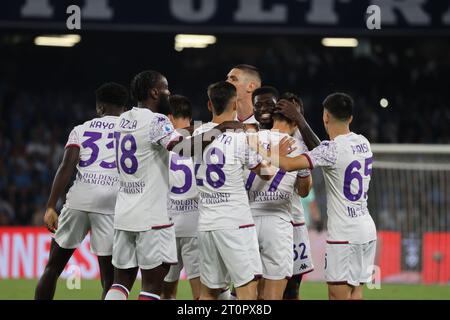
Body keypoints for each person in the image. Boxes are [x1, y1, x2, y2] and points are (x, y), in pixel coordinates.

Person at [254, 92, 377, 300]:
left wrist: (256, 147)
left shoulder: (330, 150)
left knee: (337, 296)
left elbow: (288, 164)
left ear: (325, 117)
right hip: (366, 230)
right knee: (356, 293)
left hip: (344, 235)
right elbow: (322, 149)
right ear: (351, 118)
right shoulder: (363, 142)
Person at [35, 82, 128, 300]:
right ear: (124, 108)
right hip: (110, 203)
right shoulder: (130, 132)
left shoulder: (81, 129)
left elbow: (66, 167)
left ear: (100, 108)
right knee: (109, 279)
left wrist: (50, 206)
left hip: (78, 200)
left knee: (52, 269)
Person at [194, 81, 272, 300]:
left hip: (207, 224)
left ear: (209, 105)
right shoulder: (240, 138)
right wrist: (269, 152)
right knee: (247, 286)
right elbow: (266, 173)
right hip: (235, 222)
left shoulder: (197, 135)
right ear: (236, 105)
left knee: (209, 291)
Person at [161, 95, 201, 300]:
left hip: (167, 223)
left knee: (166, 291)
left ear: (169, 117)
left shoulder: (162, 143)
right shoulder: (203, 138)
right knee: (200, 292)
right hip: (196, 222)